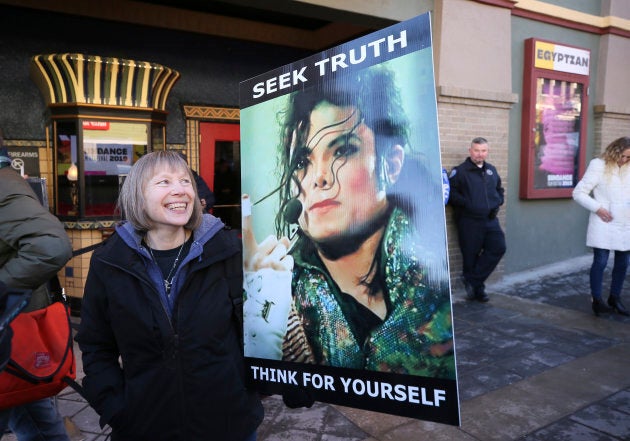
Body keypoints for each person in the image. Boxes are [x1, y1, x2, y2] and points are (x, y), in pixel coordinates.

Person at [243, 65, 454, 378]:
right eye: (302, 161)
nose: (319, 178)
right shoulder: (279, 292)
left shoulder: (434, 281)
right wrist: (266, 317)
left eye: (342, 150)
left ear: (392, 165)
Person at [75, 151, 263, 441]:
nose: (180, 189)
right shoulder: (109, 262)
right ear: (138, 196)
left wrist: (273, 386)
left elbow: (260, 329)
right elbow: (96, 345)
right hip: (145, 426)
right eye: (164, 181)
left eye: (185, 181)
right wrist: (115, 407)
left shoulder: (228, 251)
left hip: (227, 424)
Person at [0, 136, 73, 441]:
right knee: (35, 417)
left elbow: (50, 246)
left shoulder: (4, 184)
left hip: (12, 334)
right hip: (13, 340)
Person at [572, 136, 630, 317]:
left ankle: (615, 298)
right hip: (604, 220)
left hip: (626, 221)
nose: (625, 160)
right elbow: (579, 192)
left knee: (623, 262)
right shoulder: (599, 165)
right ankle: (597, 300)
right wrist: (598, 208)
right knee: (601, 261)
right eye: (623, 156)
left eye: (629, 157)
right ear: (615, 150)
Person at [448, 137, 506, 302]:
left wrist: (499, 201)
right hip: (469, 221)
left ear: (487, 152)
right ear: (470, 151)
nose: (480, 154)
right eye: (476, 150)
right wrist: (468, 204)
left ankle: (472, 280)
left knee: (498, 247)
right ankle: (477, 290)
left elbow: (499, 189)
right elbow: (451, 193)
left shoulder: (491, 170)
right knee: (470, 256)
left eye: (483, 151)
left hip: (490, 220)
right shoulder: (460, 171)